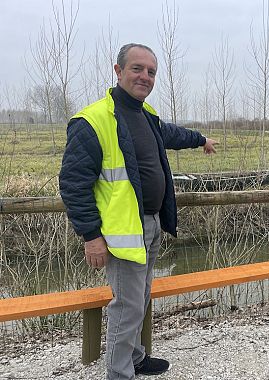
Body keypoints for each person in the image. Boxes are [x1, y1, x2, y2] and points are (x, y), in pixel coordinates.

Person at [59, 43, 218, 379]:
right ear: (118, 71)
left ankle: (135, 357)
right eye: (137, 68)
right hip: (121, 232)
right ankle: (120, 372)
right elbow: (73, 183)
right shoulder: (93, 120)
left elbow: (172, 134)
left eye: (151, 72)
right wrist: (91, 237)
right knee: (127, 306)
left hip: (151, 224)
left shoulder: (146, 116)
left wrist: (201, 139)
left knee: (140, 300)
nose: (145, 76)